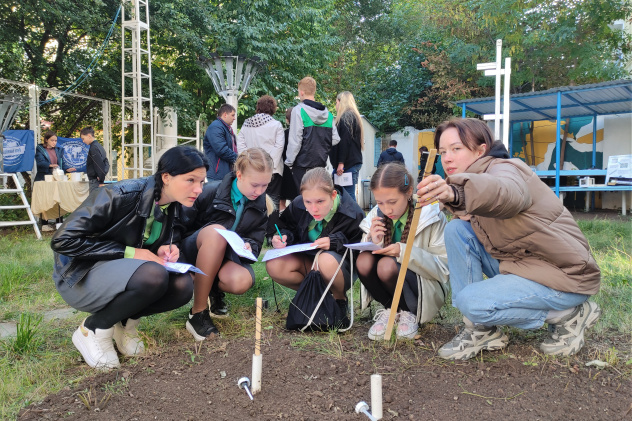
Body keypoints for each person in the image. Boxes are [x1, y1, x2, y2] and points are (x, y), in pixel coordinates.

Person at [416, 118, 601, 360]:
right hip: (527, 265)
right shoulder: (474, 178)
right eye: (442, 152)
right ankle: (480, 329)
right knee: (456, 231)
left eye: (456, 149)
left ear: (481, 150)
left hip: (564, 276)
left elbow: (505, 193)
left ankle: (569, 314)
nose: (447, 158)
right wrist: (454, 202)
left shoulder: (506, 169)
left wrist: (455, 192)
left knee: (469, 301)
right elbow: (480, 203)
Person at [50, 146, 208, 369]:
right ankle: (94, 328)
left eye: (202, 182)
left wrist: (163, 248)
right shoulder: (119, 194)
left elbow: (141, 237)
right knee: (154, 275)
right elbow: (61, 240)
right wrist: (134, 253)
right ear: (166, 177)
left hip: (118, 273)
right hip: (79, 276)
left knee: (183, 285)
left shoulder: (172, 203)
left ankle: (125, 323)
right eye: (191, 180)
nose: (199, 189)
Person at [178, 148, 273, 340]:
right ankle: (197, 313)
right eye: (255, 185)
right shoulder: (210, 191)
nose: (260, 191)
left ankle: (212, 291)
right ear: (239, 175)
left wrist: (248, 246)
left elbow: (256, 240)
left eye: (265, 186)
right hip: (194, 249)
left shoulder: (260, 204)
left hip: (226, 255)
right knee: (217, 232)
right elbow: (178, 224)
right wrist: (179, 260)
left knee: (240, 281)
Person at [357, 163, 449, 340]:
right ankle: (391, 309)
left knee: (386, 265)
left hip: (427, 287)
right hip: (392, 283)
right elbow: (367, 257)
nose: (387, 209)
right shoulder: (376, 215)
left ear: (409, 193)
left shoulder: (431, 215)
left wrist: (405, 251)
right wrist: (373, 241)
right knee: (363, 261)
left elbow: (444, 269)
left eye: (392, 202)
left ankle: (409, 312)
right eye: (380, 202)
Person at [266, 167, 364, 327]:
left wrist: (334, 242)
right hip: (307, 263)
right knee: (274, 264)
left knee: (325, 260)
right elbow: (287, 227)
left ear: (333, 195)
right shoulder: (298, 205)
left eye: (320, 201)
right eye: (308, 202)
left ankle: (339, 299)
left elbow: (359, 252)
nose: (314, 209)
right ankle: (314, 295)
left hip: (338, 269)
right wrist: (283, 237)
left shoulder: (353, 213)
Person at [285, 77, 340, 190]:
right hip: (320, 166)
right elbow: (335, 139)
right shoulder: (328, 115)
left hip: (302, 166)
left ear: (301, 92)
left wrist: (289, 162)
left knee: (303, 201)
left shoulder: (298, 111)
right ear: (314, 91)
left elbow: (295, 141)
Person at [236, 95, 285, 208]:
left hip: (251, 170)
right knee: (272, 203)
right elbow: (279, 147)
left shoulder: (246, 124)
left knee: (252, 202)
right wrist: (269, 165)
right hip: (273, 172)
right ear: (273, 108)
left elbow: (241, 145)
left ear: (258, 107)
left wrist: (248, 164)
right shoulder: (276, 125)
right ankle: (272, 224)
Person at [35, 131, 76, 231]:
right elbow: (40, 162)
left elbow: (61, 163)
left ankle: (59, 223)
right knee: (45, 200)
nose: (54, 142)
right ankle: (45, 224)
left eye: (56, 141)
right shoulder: (40, 149)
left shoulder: (58, 149)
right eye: (52, 140)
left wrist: (67, 169)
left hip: (57, 178)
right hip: (44, 178)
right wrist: (49, 165)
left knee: (58, 200)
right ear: (46, 140)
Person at [330, 91, 363, 201]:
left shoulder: (346, 118)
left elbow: (345, 142)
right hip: (352, 163)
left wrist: (341, 163)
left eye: (336, 102)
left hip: (347, 165)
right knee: (346, 194)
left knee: (348, 196)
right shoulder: (354, 117)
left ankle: (354, 218)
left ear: (341, 102)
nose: (336, 105)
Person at [204, 104, 238, 181]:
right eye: (232, 115)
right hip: (217, 174)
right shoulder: (216, 127)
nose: (234, 118)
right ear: (225, 114)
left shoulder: (225, 128)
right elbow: (222, 149)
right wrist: (239, 159)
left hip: (222, 172)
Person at [279, 107, 299, 212]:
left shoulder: (283, 134)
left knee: (281, 201)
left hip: (285, 170)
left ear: (287, 120)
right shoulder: (304, 134)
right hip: (299, 170)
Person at [80, 127, 109, 192]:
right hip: (98, 179)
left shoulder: (93, 148)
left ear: (89, 136)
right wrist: (103, 175)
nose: (83, 141)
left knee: (94, 200)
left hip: (95, 181)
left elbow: (98, 164)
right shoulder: (99, 146)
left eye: (83, 138)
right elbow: (106, 163)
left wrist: (101, 179)